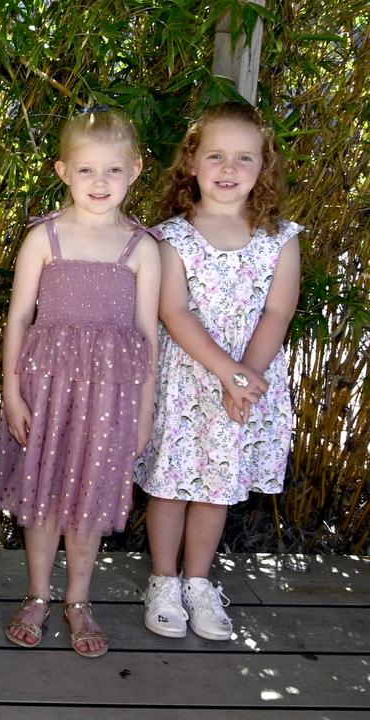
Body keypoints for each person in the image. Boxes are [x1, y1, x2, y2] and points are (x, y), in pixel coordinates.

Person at [0, 109, 160, 658]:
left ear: (134, 171)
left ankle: (79, 600)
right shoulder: (45, 238)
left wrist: (143, 413)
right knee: (42, 498)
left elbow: (146, 336)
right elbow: (18, 319)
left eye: (113, 170)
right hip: (46, 391)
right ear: (63, 170)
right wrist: (12, 391)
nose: (100, 183)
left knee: (88, 501)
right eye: (87, 171)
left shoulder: (143, 248)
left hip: (109, 400)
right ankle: (38, 594)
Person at [136, 101, 300, 641]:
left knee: (216, 489)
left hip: (244, 383)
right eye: (216, 156)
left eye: (244, 158)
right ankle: (163, 580)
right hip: (190, 381)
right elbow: (173, 311)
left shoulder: (281, 237)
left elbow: (278, 311)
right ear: (191, 161)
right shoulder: (170, 238)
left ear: (264, 167)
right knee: (172, 485)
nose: (229, 170)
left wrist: (247, 378)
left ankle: (199, 583)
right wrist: (228, 373)